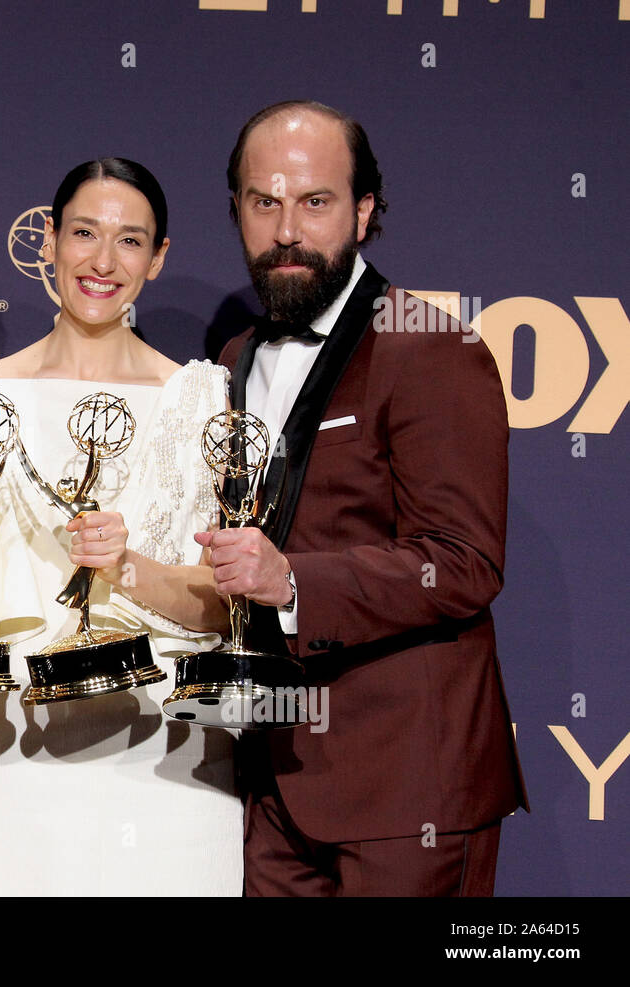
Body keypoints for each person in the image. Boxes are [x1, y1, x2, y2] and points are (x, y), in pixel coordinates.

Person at [205, 100, 528, 896]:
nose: (287, 229)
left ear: (364, 210)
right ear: (238, 210)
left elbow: (464, 561)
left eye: (314, 202)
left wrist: (293, 584)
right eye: (264, 201)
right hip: (271, 780)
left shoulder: (431, 349)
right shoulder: (236, 356)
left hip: (407, 786)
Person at [0, 158, 243, 896]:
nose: (102, 261)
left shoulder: (203, 398)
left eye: (130, 240)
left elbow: (225, 601)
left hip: (168, 763)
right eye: (84, 233)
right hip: (13, 757)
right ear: (49, 240)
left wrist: (132, 568)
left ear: (158, 258)